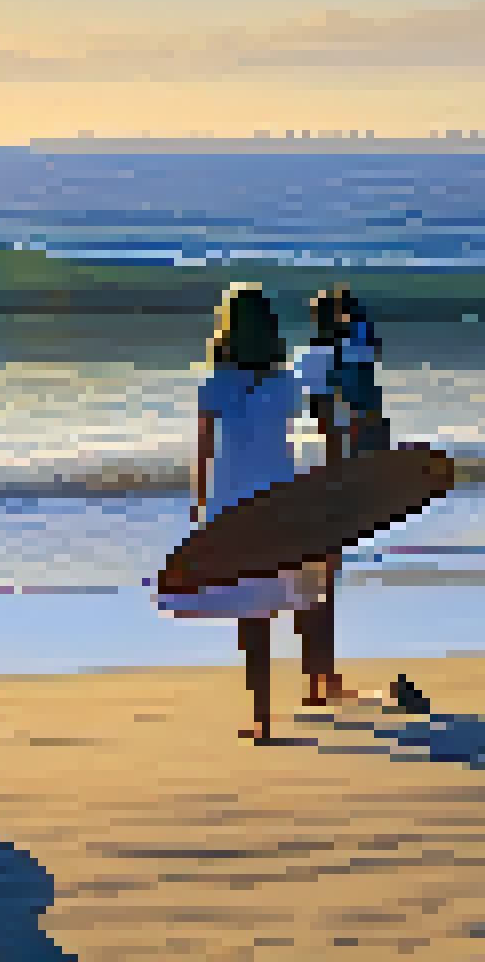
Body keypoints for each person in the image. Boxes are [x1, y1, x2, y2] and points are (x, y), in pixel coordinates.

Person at [157, 283, 350, 742]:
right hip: (281, 498)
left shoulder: (214, 385)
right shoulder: (286, 385)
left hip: (233, 501)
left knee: (251, 611)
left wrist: (200, 505)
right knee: (298, 589)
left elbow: (203, 453)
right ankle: (316, 681)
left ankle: (262, 714)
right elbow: (321, 425)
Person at [294, 289, 348, 466]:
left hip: (327, 404)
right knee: (336, 442)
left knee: (333, 442)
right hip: (331, 405)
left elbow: (309, 388)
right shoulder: (335, 348)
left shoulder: (315, 349)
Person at [333, 287, 389, 453]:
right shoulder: (363, 325)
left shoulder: (348, 329)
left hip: (355, 384)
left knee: (358, 425)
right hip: (364, 383)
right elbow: (375, 350)